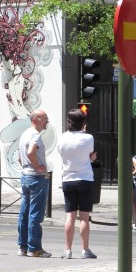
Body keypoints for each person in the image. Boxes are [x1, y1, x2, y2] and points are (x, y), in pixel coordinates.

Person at [56, 109, 98, 259]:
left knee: (70, 217)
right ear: (83, 123)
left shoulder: (61, 138)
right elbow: (91, 156)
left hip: (68, 178)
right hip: (85, 178)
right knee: (84, 217)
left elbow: (62, 155)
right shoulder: (88, 138)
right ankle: (85, 250)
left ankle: (67, 250)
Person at [17, 109, 52, 257]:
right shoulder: (35, 135)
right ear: (35, 119)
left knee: (24, 213)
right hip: (36, 177)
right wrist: (38, 167)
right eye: (44, 118)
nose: (47, 121)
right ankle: (35, 248)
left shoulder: (24, 133)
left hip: (26, 176)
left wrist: (28, 166)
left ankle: (23, 247)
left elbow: (20, 157)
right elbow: (31, 152)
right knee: (35, 215)